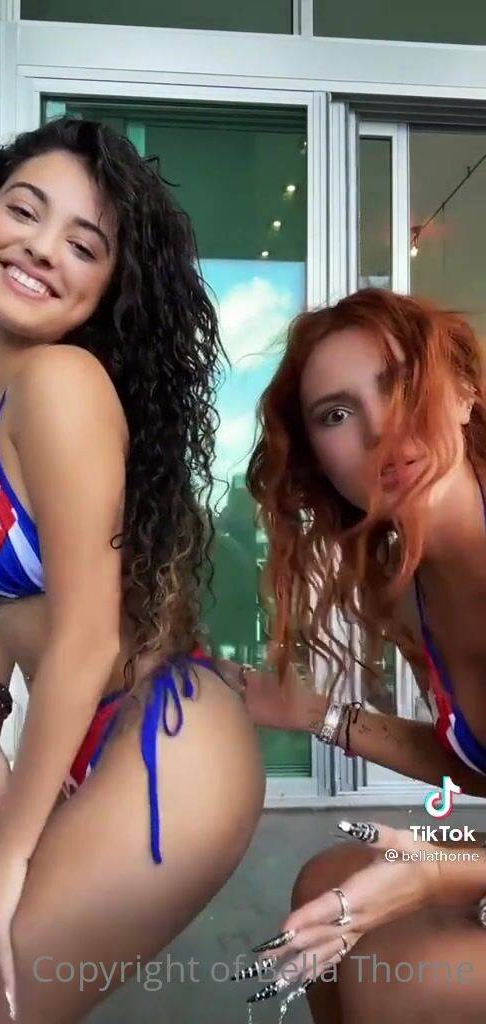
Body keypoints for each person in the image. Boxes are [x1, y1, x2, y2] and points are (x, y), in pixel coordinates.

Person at [0, 117, 265, 1024]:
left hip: (165, 736)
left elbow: (89, 634)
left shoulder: (63, 384)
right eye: (24, 210)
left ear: (111, 286)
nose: (41, 248)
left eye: (84, 244)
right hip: (62, 735)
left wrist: (6, 855)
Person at [224, 289, 486, 1021]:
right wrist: (318, 716)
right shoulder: (408, 594)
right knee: (325, 883)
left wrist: (439, 874)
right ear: (319, 463)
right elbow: (474, 765)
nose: (381, 429)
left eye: (401, 385)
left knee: (397, 977)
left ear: (464, 393)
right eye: (336, 415)